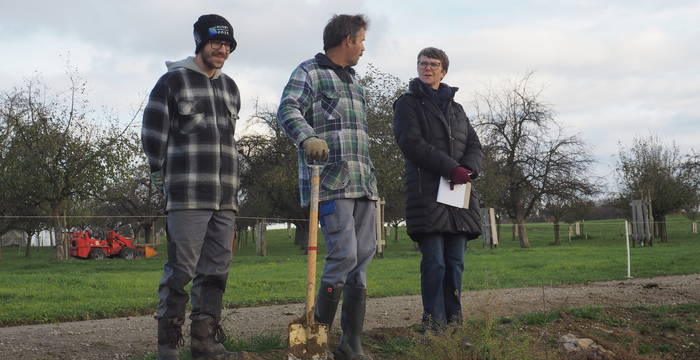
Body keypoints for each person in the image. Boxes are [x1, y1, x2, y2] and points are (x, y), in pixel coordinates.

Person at [141, 14, 244, 360]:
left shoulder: (230, 87)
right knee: (181, 271)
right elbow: (153, 135)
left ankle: (205, 342)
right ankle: (168, 347)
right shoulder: (172, 82)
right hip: (187, 195)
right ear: (200, 42)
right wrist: (161, 175)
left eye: (228, 44)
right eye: (216, 42)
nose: (223, 49)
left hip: (225, 197)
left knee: (216, 272)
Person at [277, 14, 377, 360]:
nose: (364, 47)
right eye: (361, 40)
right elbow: (288, 109)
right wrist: (307, 138)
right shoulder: (308, 72)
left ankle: (351, 343)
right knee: (344, 255)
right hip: (332, 182)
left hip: (364, 184)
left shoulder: (354, 81)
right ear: (347, 39)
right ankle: (316, 340)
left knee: (362, 259)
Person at [393, 47, 483, 331]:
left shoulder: (457, 109)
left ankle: (454, 321)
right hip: (427, 195)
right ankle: (434, 323)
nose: (427, 68)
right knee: (435, 263)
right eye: (422, 63)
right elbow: (412, 143)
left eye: (433, 64)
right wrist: (450, 168)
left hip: (458, 194)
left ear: (444, 71)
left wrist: (467, 169)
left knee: (455, 262)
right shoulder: (407, 104)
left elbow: (474, 144)